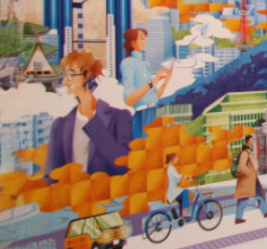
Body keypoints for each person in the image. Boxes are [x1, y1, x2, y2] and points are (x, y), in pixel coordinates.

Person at [44, 50, 133, 183]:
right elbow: (51, 177)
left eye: (70, 74)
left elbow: (123, 166)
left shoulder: (119, 118)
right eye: (64, 75)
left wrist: (91, 117)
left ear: (87, 76)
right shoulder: (60, 125)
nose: (65, 81)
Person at [120, 28, 173, 139]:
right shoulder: (127, 63)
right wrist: (152, 83)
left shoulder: (145, 64)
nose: (146, 42)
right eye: (142, 38)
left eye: (145, 38)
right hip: (142, 116)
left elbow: (154, 97)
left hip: (153, 113)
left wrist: (165, 82)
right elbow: (129, 100)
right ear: (132, 42)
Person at [234, 134, 267, 223]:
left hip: (252, 180)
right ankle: (238, 218)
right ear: (247, 141)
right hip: (247, 180)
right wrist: (249, 173)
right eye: (251, 140)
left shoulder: (248, 151)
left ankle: (265, 212)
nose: (252, 141)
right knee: (243, 198)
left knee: (259, 195)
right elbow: (241, 166)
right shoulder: (245, 153)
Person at [165, 152, 194, 219]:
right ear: (173, 159)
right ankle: (183, 213)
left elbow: (177, 179)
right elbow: (177, 176)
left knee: (182, 197)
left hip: (173, 190)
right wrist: (188, 177)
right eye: (177, 158)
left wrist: (186, 179)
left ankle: (181, 216)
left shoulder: (171, 168)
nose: (178, 159)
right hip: (173, 191)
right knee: (185, 192)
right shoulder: (171, 168)